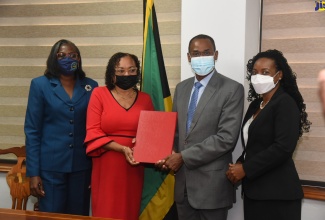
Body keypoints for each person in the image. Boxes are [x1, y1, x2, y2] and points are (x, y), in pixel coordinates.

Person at [156, 34, 244, 220]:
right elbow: (177, 133)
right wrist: (162, 152)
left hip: (212, 188)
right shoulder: (182, 88)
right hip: (183, 187)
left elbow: (226, 138)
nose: (201, 57)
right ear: (188, 57)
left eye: (207, 52)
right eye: (196, 53)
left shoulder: (232, 89)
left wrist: (183, 157)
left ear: (216, 55)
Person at [226, 49, 311, 220]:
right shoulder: (256, 105)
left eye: (266, 72)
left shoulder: (285, 103)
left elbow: (283, 148)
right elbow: (254, 144)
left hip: (278, 195)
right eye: (255, 72)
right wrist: (238, 165)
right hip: (254, 192)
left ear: (279, 75)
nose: (259, 76)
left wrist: (245, 169)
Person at [25, 39, 98, 215]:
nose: (68, 58)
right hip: (50, 168)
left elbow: (95, 127)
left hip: (82, 167)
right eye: (62, 55)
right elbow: (32, 130)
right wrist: (33, 173)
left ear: (79, 59)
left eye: (73, 55)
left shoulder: (91, 86)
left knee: (78, 215)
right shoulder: (40, 85)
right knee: (51, 215)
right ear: (53, 59)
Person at [84, 52, 154, 219]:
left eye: (131, 70)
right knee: (106, 211)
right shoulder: (98, 94)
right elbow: (93, 131)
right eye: (121, 70)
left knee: (129, 211)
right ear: (112, 73)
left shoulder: (145, 99)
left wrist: (143, 142)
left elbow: (152, 133)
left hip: (134, 165)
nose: (126, 74)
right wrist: (122, 148)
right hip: (106, 163)